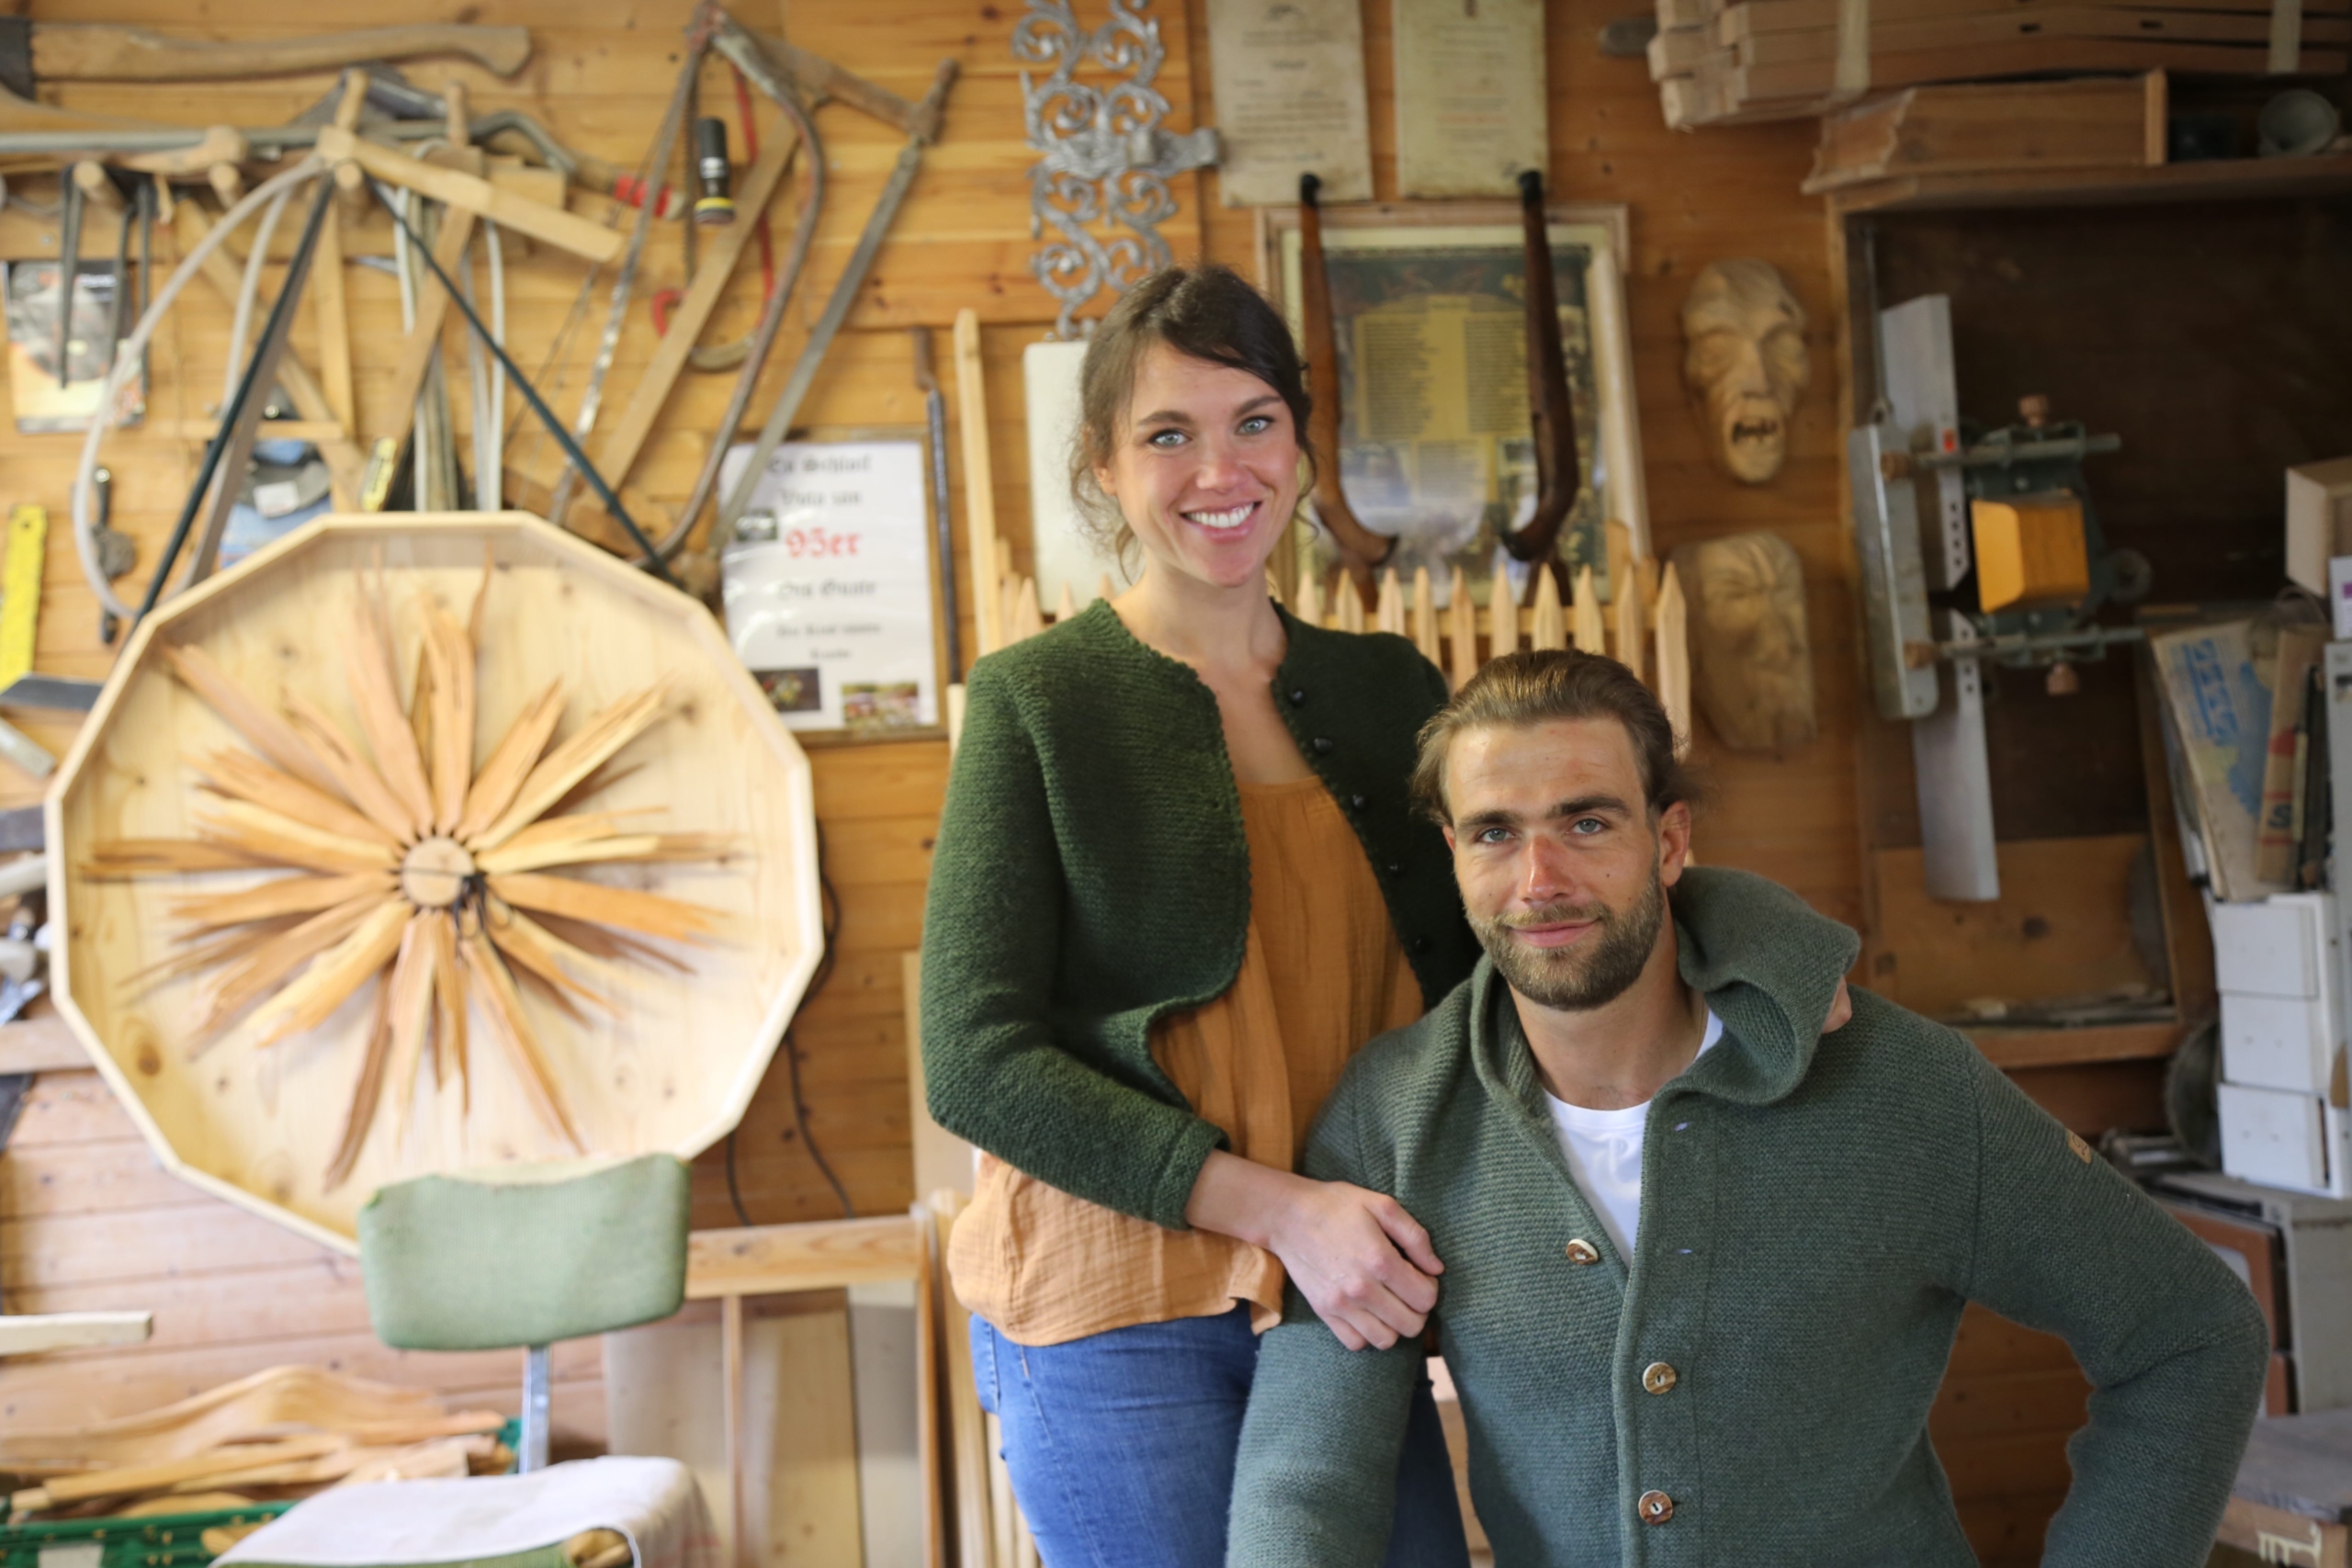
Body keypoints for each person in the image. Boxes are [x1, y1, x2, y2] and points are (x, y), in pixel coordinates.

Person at [1227, 649, 2271, 1567]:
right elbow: (1304, 1481)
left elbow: (2187, 1335)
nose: (1538, 879)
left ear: (1670, 842)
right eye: (1494, 833)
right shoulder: (1392, 1123)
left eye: (1586, 822)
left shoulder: (1898, 1090)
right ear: (1453, 854)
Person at [919, 263, 1481, 1568]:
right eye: (1167, 433)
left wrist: (1745, 961)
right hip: (1121, 1304)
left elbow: (1521, 922)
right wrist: (1274, 1206)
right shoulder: (1037, 701)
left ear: (1299, 441)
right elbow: (973, 1057)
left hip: (1341, 1297)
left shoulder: (1391, 688)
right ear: (1104, 468)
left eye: (1253, 422)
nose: (1218, 467)